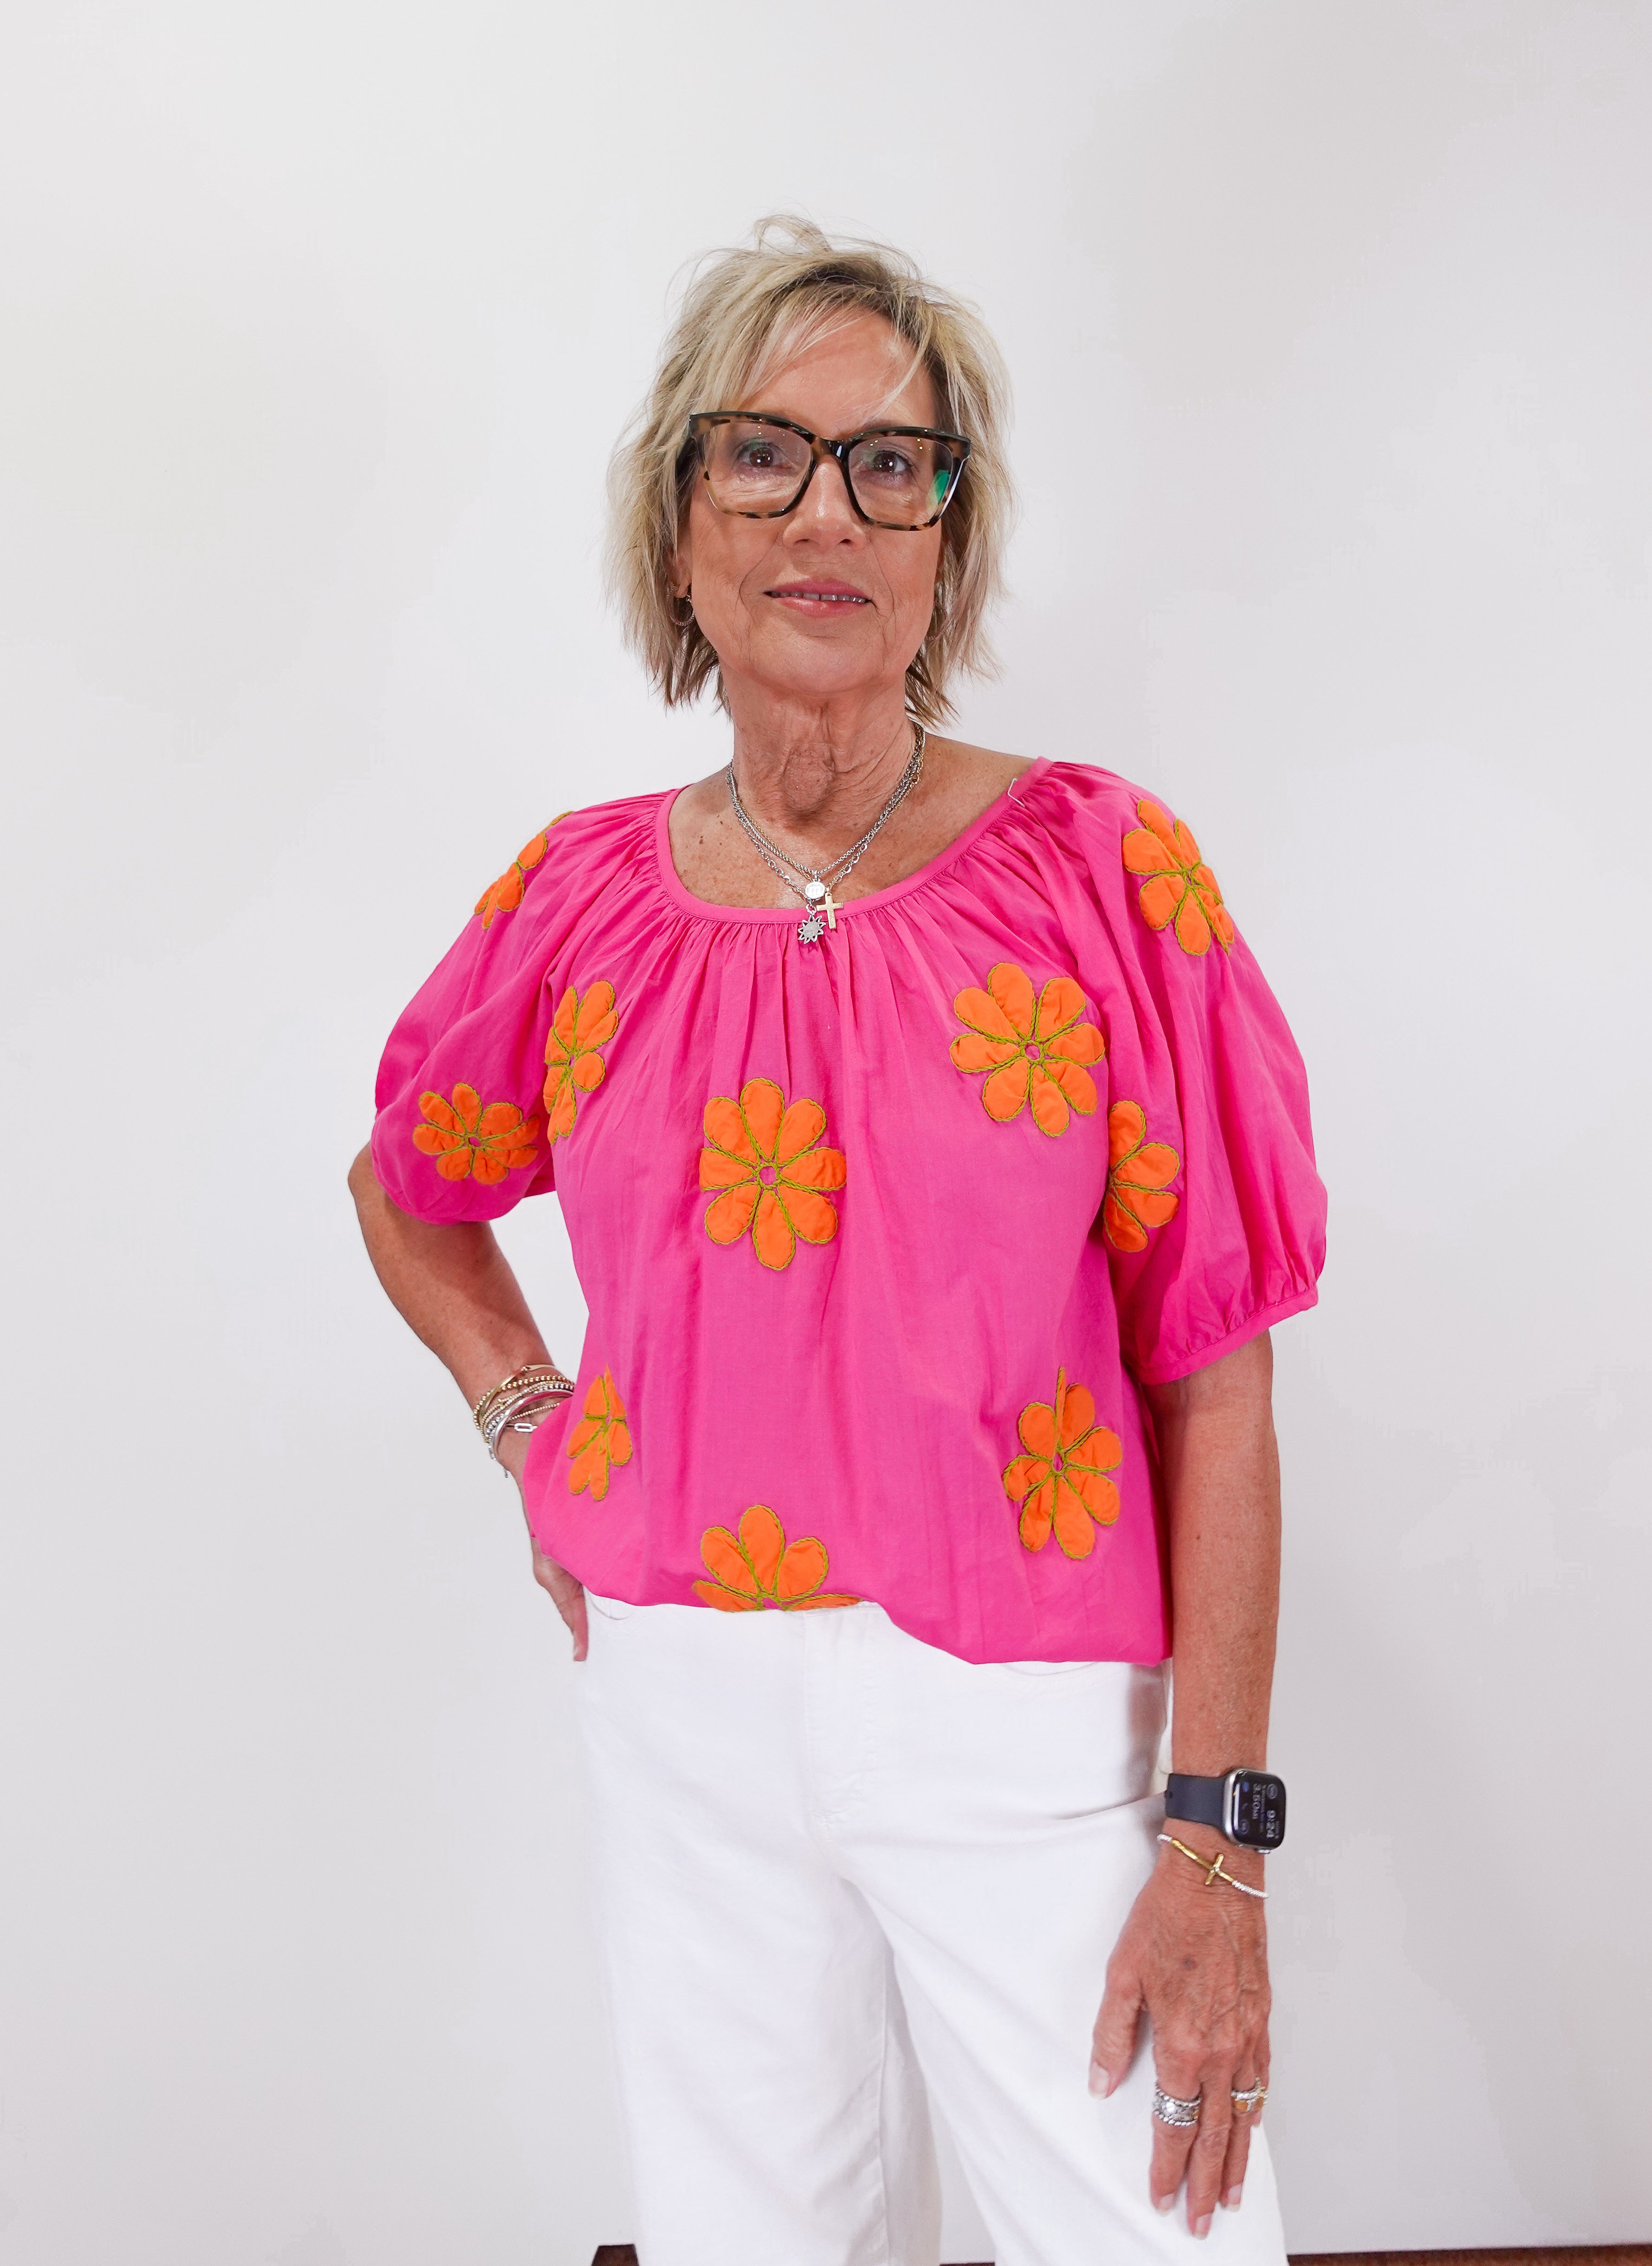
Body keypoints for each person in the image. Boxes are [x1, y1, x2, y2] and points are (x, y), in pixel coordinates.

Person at [350, 217, 1326, 2266]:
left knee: (1157, 2236)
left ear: (946, 543)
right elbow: (407, 1182)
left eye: (895, 464)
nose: (829, 511)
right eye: (763, 455)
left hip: (1034, 1718)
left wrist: (1219, 1846)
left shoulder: (1101, 872)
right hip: (682, 1702)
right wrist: (530, 1414)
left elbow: (1213, 1365)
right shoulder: (583, 896)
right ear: (678, 529)